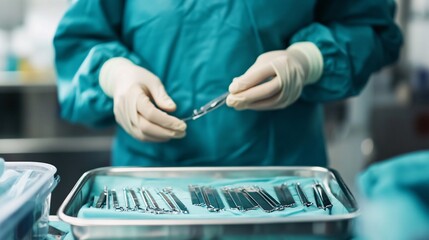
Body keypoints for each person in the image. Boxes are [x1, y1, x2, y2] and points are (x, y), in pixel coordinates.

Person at [54, 0, 402, 167]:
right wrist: (115, 74)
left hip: (281, 194)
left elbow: (371, 28)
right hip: (148, 191)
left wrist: (307, 60)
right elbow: (80, 40)